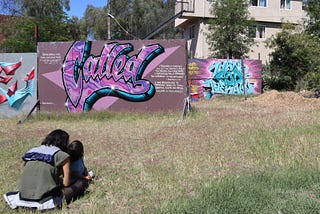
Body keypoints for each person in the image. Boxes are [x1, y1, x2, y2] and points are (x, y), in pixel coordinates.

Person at [3, 129, 71, 210]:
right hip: (44, 200)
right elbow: (66, 183)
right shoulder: (62, 155)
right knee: (80, 184)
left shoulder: (32, 151)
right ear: (64, 142)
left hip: (22, 197)